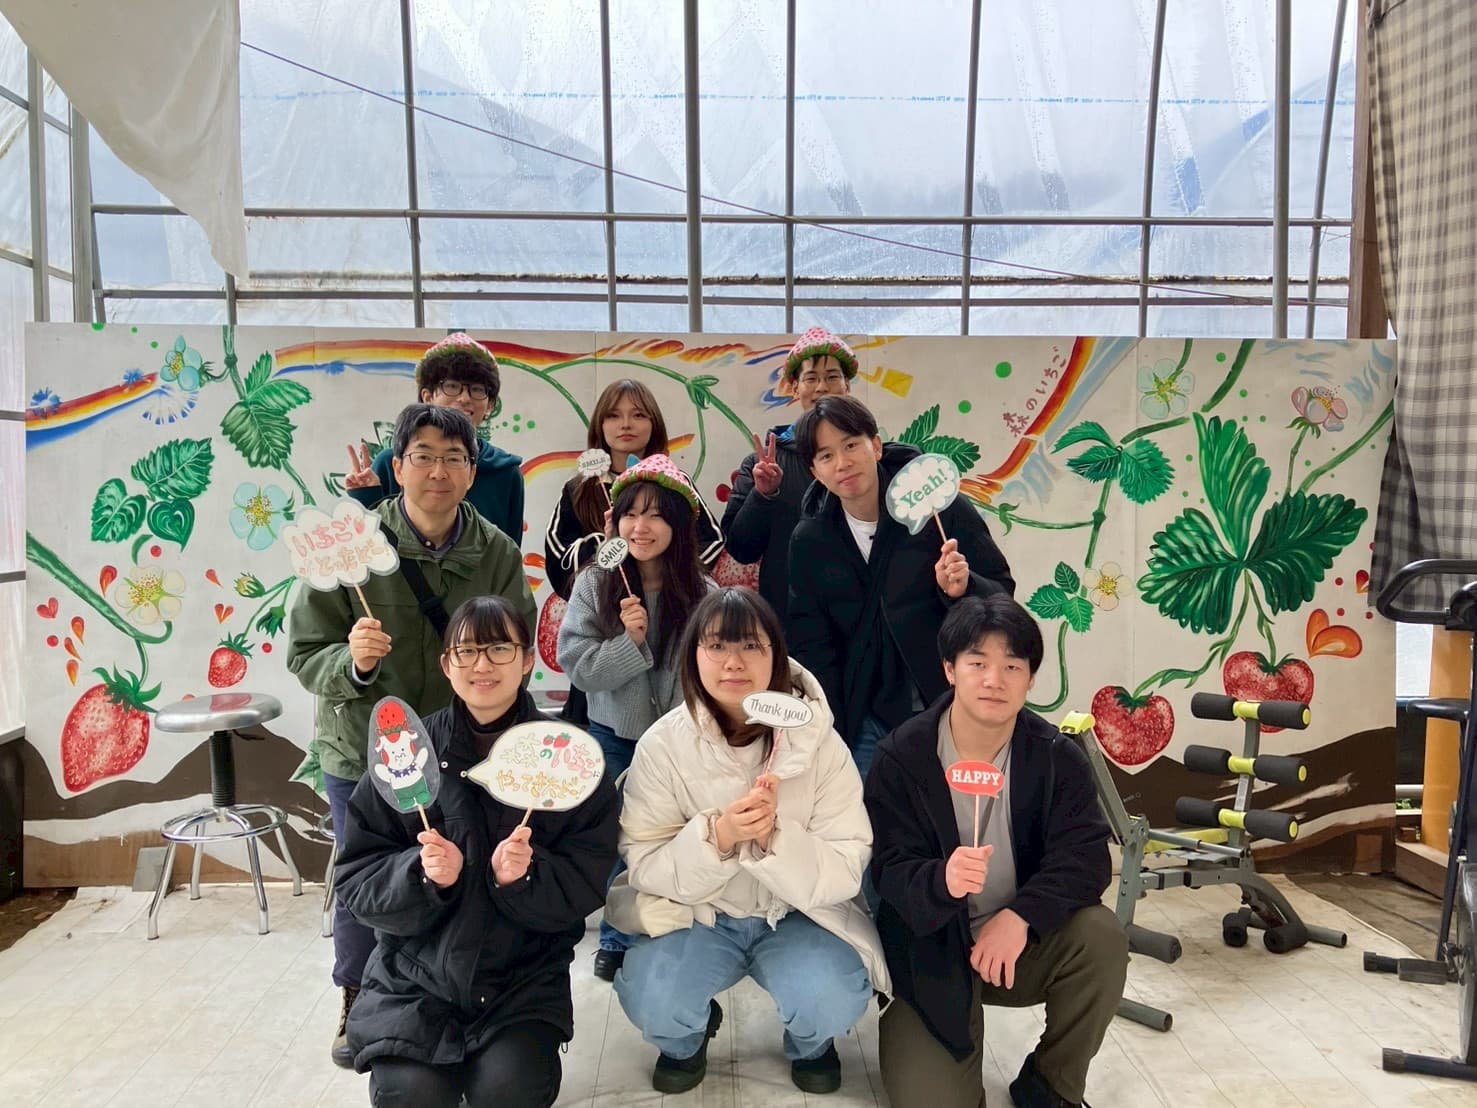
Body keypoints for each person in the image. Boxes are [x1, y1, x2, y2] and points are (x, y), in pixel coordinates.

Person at [287, 402, 538, 1068]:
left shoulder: (496, 553)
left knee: (447, 869)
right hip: (364, 748)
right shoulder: (351, 548)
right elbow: (305, 654)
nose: (438, 471)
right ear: (396, 468)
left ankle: (440, 999)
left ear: (472, 472)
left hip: (460, 750)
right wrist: (354, 661)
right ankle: (356, 994)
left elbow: (518, 646)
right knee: (368, 878)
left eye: (454, 458)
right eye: (423, 456)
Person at [335, 595, 619, 1107]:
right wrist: (421, 875)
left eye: (498, 649)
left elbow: (588, 875)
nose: (482, 665)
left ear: (527, 660)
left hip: (522, 979)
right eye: (465, 652)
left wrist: (523, 878)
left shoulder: (566, 761)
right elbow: (357, 876)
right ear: (447, 666)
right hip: (413, 977)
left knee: (508, 1092)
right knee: (411, 1095)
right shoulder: (406, 753)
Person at [609, 587, 888, 1096]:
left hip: (798, 915)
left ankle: (810, 1043)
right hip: (701, 916)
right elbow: (643, 859)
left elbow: (848, 859)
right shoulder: (663, 745)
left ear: (776, 656)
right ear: (693, 655)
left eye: (751, 646)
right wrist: (717, 837)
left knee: (830, 997)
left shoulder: (819, 743)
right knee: (655, 999)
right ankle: (687, 1040)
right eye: (716, 645)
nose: (733, 662)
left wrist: (775, 840)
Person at [864, 596, 1127, 1108]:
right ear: (949, 670)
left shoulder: (1056, 757)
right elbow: (887, 870)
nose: (994, 680)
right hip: (928, 952)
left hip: (1016, 947)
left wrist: (1022, 916)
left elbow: (1087, 857)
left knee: (1100, 937)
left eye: (1012, 666)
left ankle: (1049, 1083)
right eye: (977, 663)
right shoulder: (903, 756)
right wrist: (941, 880)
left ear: (1030, 679)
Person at [786, 394, 1015, 776]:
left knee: (955, 807)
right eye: (826, 456)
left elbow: (1002, 592)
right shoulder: (810, 539)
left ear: (875, 446)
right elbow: (811, 641)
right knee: (868, 810)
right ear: (814, 471)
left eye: (851, 445)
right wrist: (830, 725)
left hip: (948, 702)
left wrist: (963, 588)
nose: (842, 463)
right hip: (863, 718)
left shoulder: (938, 508)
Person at [555, 453, 715, 981]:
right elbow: (578, 667)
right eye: (630, 514)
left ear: (679, 525)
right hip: (615, 737)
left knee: (679, 836)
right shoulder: (594, 584)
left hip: (685, 743)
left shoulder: (705, 594)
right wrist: (630, 642)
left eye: (656, 515)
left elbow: (719, 673)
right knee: (619, 838)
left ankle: (679, 926)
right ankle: (617, 935)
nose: (640, 527)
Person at [544, 378, 724, 599]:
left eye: (638, 415)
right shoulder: (578, 489)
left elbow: (711, 540)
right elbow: (558, 558)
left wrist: (666, 578)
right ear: (600, 424)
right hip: (601, 607)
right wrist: (604, 548)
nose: (626, 424)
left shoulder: (674, 482)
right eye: (613, 415)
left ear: (654, 423)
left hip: (669, 604)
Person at [721, 327, 857, 615]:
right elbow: (741, 548)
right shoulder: (762, 464)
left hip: (858, 617)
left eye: (833, 377)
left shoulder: (868, 461)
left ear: (847, 386)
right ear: (795, 389)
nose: (822, 387)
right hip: (787, 619)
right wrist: (762, 495)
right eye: (811, 378)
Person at [345, 332, 526, 542]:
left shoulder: (506, 472)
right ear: (427, 396)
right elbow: (370, 545)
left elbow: (510, 549)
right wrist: (366, 496)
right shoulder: (392, 462)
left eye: (477, 389)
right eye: (452, 386)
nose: (464, 398)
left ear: (490, 405)